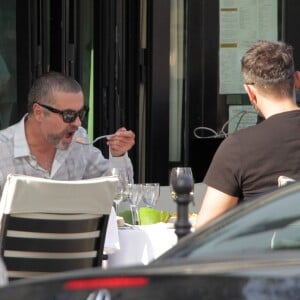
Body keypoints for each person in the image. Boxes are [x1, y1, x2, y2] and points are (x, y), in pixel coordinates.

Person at [196, 40, 300, 229]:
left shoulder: (238, 147)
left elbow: (206, 227)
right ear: (297, 80)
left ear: (250, 91)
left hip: (269, 255)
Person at [0, 71, 135, 193]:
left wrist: (118, 155)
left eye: (81, 114)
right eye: (69, 115)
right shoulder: (3, 150)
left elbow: (117, 192)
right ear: (39, 112)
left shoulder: (78, 139)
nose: (78, 123)